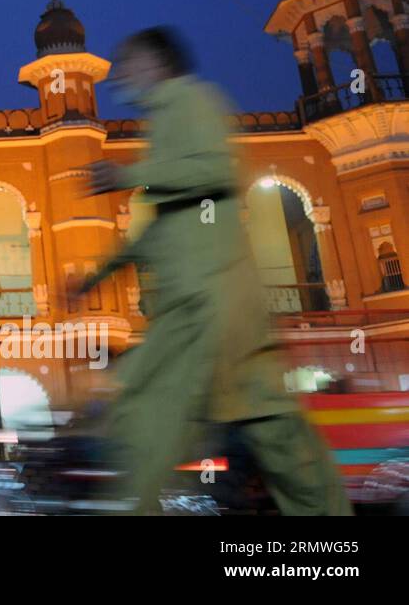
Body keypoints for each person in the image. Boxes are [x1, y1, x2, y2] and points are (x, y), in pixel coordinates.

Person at [72, 27, 350, 515]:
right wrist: (96, 278)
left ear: (159, 64)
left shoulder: (192, 100)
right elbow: (161, 229)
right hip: (195, 310)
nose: (121, 75)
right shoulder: (163, 126)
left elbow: (216, 171)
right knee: (172, 421)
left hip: (215, 303)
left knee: (268, 431)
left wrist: (128, 176)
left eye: (130, 62)